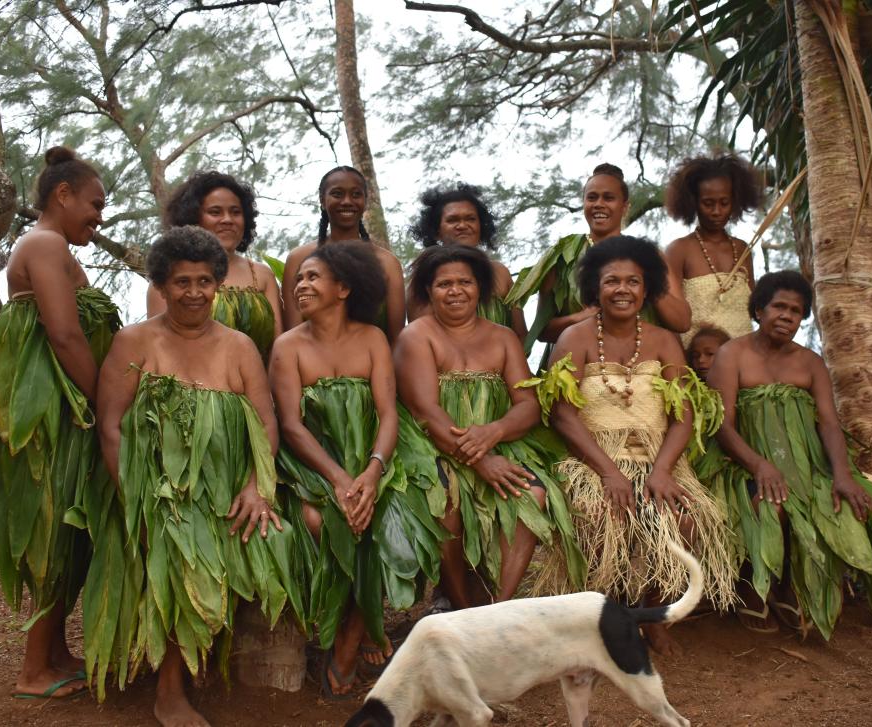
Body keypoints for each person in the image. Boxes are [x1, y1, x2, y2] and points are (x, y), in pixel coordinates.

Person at [93, 227, 299, 726]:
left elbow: (265, 423)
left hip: (229, 489)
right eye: (181, 282)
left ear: (218, 284)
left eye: (204, 281)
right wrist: (134, 499)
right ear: (161, 286)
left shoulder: (240, 346)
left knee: (283, 538)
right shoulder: (134, 342)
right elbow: (112, 426)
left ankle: (230, 658)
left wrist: (256, 487)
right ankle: (170, 690)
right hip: (155, 491)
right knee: (179, 547)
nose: (193, 293)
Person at [530, 236, 737, 655]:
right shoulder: (574, 337)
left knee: (686, 518)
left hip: (657, 457)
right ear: (596, 288)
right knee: (599, 513)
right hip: (595, 458)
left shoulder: (664, 341)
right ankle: (599, 615)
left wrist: (662, 471)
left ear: (647, 289)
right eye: (611, 281)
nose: (622, 290)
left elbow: (683, 416)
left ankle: (653, 614)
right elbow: (563, 415)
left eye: (633, 282)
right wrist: (609, 472)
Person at [0, 146, 118, 699]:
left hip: (64, 403)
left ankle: (55, 652)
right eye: (94, 203)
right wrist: (107, 403)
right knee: (55, 526)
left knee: (71, 526)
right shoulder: (44, 243)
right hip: (53, 407)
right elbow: (63, 333)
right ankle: (35, 670)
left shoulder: (51, 245)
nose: (98, 216)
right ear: (63, 195)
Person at [270, 241, 445, 698]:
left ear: (344, 288)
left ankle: (351, 635)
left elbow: (389, 415)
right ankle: (355, 623)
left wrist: (371, 472)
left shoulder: (371, 339)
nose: (301, 285)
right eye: (299, 279)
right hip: (314, 463)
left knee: (393, 512)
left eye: (313, 278)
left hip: (377, 455)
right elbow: (291, 425)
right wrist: (340, 480)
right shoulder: (287, 347)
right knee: (320, 519)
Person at [700, 270, 872, 638]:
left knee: (845, 505)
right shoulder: (731, 354)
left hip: (806, 466)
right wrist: (759, 464)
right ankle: (753, 586)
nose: (787, 316)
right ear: (758, 310)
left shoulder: (811, 362)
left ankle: (792, 587)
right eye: (779, 307)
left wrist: (842, 475)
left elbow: (829, 424)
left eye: (797, 311)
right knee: (773, 504)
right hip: (741, 464)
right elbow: (723, 426)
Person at [395, 245, 584, 609]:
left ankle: (500, 605)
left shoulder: (503, 337)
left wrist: (493, 433)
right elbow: (426, 411)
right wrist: (481, 460)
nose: (455, 291)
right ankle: (462, 606)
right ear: (428, 291)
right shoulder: (417, 336)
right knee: (445, 500)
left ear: (480, 287)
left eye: (464, 282)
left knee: (532, 493)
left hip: (501, 442)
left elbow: (527, 405)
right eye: (443, 284)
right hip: (433, 447)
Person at [505, 163, 691, 363]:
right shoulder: (562, 256)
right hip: (576, 370)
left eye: (609, 198)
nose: (599, 204)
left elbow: (682, 322)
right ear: (584, 203)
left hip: (641, 370)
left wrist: (648, 276)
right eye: (592, 197)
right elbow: (542, 331)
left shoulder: (649, 255)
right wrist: (582, 317)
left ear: (625, 206)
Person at [146, 171, 282, 359]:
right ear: (193, 217)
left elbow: (278, 348)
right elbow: (160, 350)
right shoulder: (168, 278)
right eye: (215, 212)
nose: (227, 220)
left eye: (235, 212)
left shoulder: (262, 275)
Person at [281, 166, 405, 343]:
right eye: (337, 194)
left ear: (365, 200)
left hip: (375, 365)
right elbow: (292, 334)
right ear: (322, 200)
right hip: (311, 366)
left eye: (356, 194)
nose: (347, 201)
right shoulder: (298, 259)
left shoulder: (387, 263)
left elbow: (397, 339)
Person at [663, 154, 764, 347]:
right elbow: (671, 316)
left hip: (743, 360)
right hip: (697, 364)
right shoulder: (679, 250)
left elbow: (754, 310)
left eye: (724, 203)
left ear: (735, 202)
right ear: (693, 202)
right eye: (708, 203)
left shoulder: (743, 249)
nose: (716, 211)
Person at [407, 183, 526, 339]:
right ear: (436, 231)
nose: (463, 225)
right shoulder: (425, 275)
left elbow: (522, 336)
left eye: (470, 219)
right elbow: (420, 338)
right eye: (452, 220)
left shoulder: (501, 273)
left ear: (481, 226)